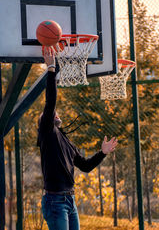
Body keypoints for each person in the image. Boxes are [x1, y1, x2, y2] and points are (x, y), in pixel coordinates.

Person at [37, 47, 118, 230]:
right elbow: (50, 102)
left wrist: (102, 153)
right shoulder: (47, 133)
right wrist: (51, 68)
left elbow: (86, 166)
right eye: (48, 114)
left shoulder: (66, 142)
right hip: (55, 201)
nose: (53, 113)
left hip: (70, 199)